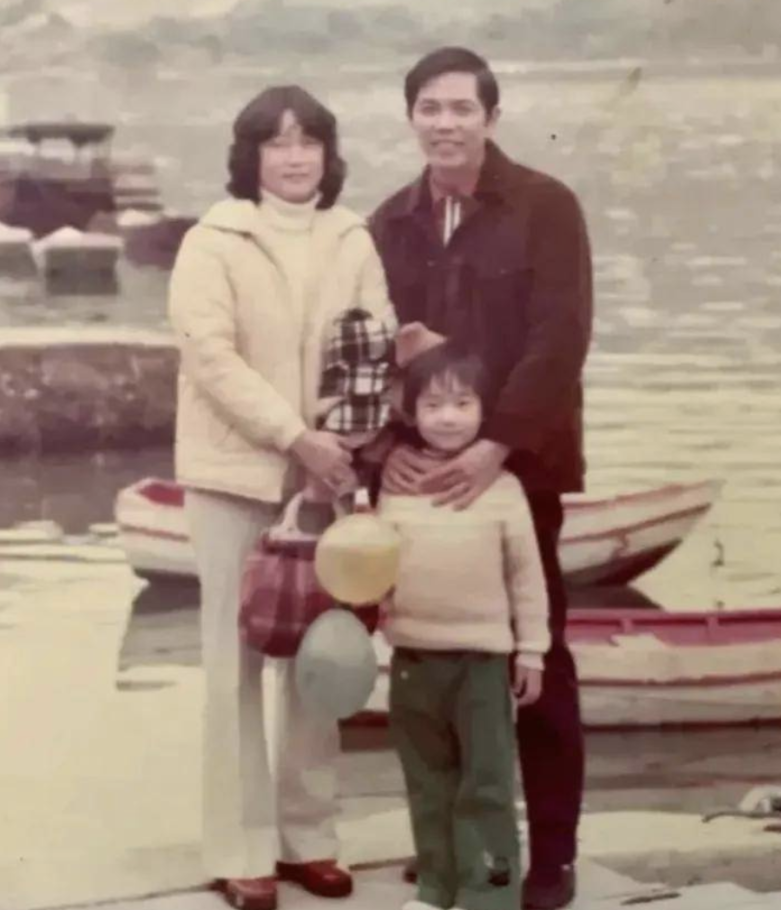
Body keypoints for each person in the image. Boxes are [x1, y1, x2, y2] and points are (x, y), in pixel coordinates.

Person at [368, 46, 592, 910]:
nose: (446, 123)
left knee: (536, 655)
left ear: (492, 117)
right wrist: (387, 449)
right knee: (433, 666)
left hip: (517, 470)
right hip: (420, 481)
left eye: (462, 108)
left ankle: (552, 857)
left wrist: (495, 444)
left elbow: (561, 338)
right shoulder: (388, 224)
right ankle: (459, 849)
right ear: (411, 118)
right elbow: (370, 351)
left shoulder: (544, 205)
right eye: (430, 108)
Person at [169, 84, 396, 910]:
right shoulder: (214, 239)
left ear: (329, 154)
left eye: (309, 141)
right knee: (233, 661)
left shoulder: (352, 238)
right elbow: (210, 357)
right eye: (278, 142)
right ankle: (240, 850)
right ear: (251, 155)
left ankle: (309, 839)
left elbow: (371, 349)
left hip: (325, 476)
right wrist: (293, 437)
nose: (296, 157)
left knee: (318, 657)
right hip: (232, 477)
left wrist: (337, 446)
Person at [379, 342, 550, 910]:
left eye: (462, 403)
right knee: (428, 783)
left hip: (482, 662)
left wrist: (532, 651)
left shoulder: (503, 489)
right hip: (412, 660)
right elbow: (374, 564)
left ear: (484, 410)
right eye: (432, 405)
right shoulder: (395, 485)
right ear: (411, 414)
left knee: (486, 786)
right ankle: (436, 888)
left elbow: (527, 576)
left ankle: (490, 896)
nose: (447, 417)